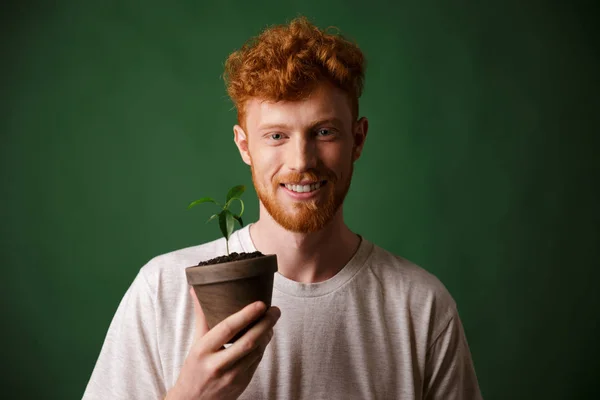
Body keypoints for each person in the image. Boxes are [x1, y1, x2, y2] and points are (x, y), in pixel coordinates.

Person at [83, 16, 483, 400]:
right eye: (276, 135)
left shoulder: (422, 307)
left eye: (324, 132)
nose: (301, 161)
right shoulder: (162, 290)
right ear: (244, 146)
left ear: (357, 139)